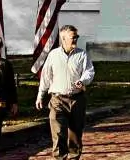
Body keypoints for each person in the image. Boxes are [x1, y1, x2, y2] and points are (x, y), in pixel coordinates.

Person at [35, 25, 96, 159]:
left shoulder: (82, 54)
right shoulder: (53, 55)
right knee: (58, 133)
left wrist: (83, 80)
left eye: (76, 37)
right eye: (72, 37)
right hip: (58, 99)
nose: (75, 39)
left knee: (75, 134)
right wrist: (40, 95)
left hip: (76, 99)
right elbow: (46, 76)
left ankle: (74, 157)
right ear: (63, 38)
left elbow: (89, 71)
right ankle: (60, 157)